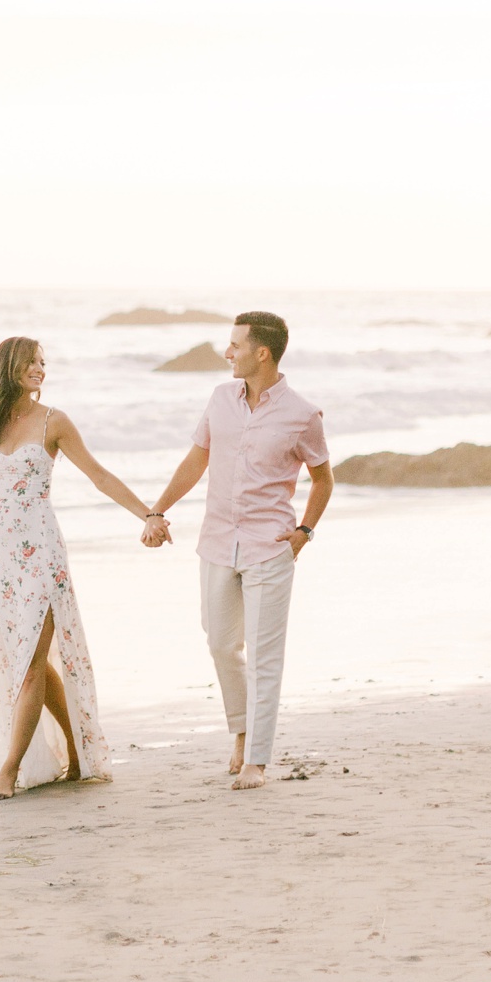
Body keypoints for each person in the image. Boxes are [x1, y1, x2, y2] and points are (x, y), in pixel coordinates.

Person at [0, 336, 165, 800]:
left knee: (32, 661)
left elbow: (99, 475)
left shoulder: (55, 421)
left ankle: (7, 771)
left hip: (42, 553)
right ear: (8, 366)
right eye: (32, 362)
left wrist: (149, 514)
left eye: (43, 363)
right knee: (27, 658)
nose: (40, 370)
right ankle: (75, 748)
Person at [148, 311, 333, 790]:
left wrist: (305, 531)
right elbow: (197, 459)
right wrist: (158, 510)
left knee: (265, 656)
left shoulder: (302, 413)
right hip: (216, 542)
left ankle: (256, 760)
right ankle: (242, 729)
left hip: (269, 546)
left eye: (235, 345)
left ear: (262, 352)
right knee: (220, 644)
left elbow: (323, 477)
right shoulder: (219, 399)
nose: (228, 353)